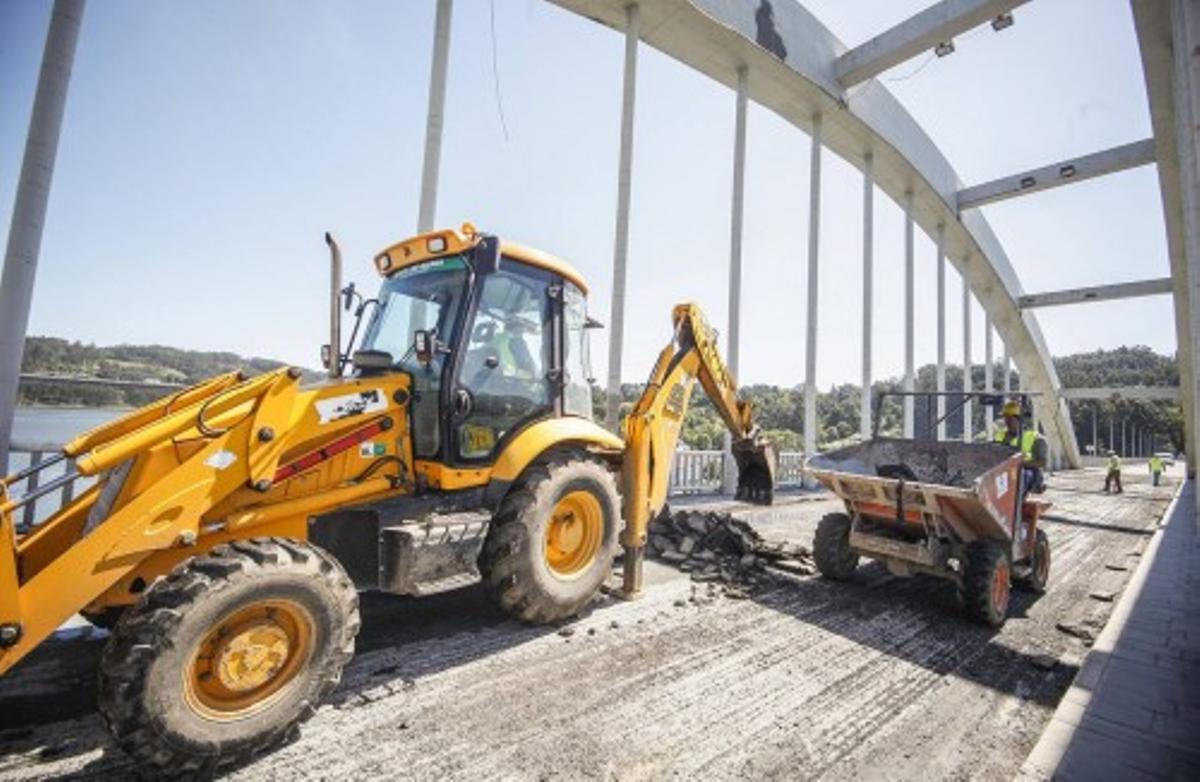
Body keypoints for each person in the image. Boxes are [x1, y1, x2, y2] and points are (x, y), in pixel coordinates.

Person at [994, 400, 1048, 495]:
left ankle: (1013, 504)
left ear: (1019, 419)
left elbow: (1042, 462)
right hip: (1004, 472)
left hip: (1028, 472)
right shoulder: (1000, 435)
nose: (1007, 422)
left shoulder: (1036, 438)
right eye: (1006, 419)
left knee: (1020, 476)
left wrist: (1019, 464)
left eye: (1010, 419)